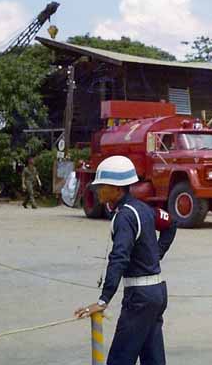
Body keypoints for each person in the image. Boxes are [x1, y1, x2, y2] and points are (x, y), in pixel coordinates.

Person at [74, 156, 177, 365]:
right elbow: (171, 224)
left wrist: (103, 300)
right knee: (153, 359)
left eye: (102, 185)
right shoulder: (144, 209)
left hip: (139, 299)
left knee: (120, 359)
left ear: (117, 189)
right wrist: (155, 254)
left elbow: (119, 258)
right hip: (156, 294)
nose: (98, 190)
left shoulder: (125, 217)